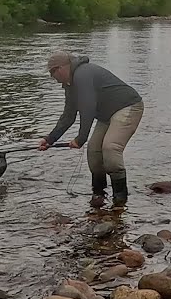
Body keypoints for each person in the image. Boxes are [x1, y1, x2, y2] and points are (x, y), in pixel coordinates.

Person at [41, 50, 145, 208]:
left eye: (52, 73)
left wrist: (80, 139)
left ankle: (120, 200)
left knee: (110, 149)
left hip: (128, 107)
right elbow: (68, 116)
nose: (52, 78)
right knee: (94, 153)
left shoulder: (82, 75)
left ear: (60, 68)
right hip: (107, 115)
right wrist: (49, 139)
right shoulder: (70, 85)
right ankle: (99, 195)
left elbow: (87, 108)